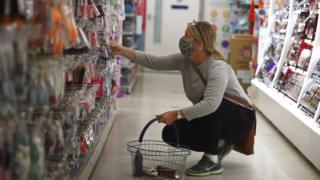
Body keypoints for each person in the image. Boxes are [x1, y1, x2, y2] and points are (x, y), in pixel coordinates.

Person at [110, 20, 255, 177]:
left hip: (241, 118)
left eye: (187, 36)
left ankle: (211, 159)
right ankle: (220, 143)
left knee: (211, 104)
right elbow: (156, 62)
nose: (182, 38)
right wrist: (122, 51)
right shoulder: (185, 60)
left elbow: (211, 105)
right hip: (214, 115)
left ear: (199, 44)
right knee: (171, 133)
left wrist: (177, 114)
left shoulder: (217, 67)